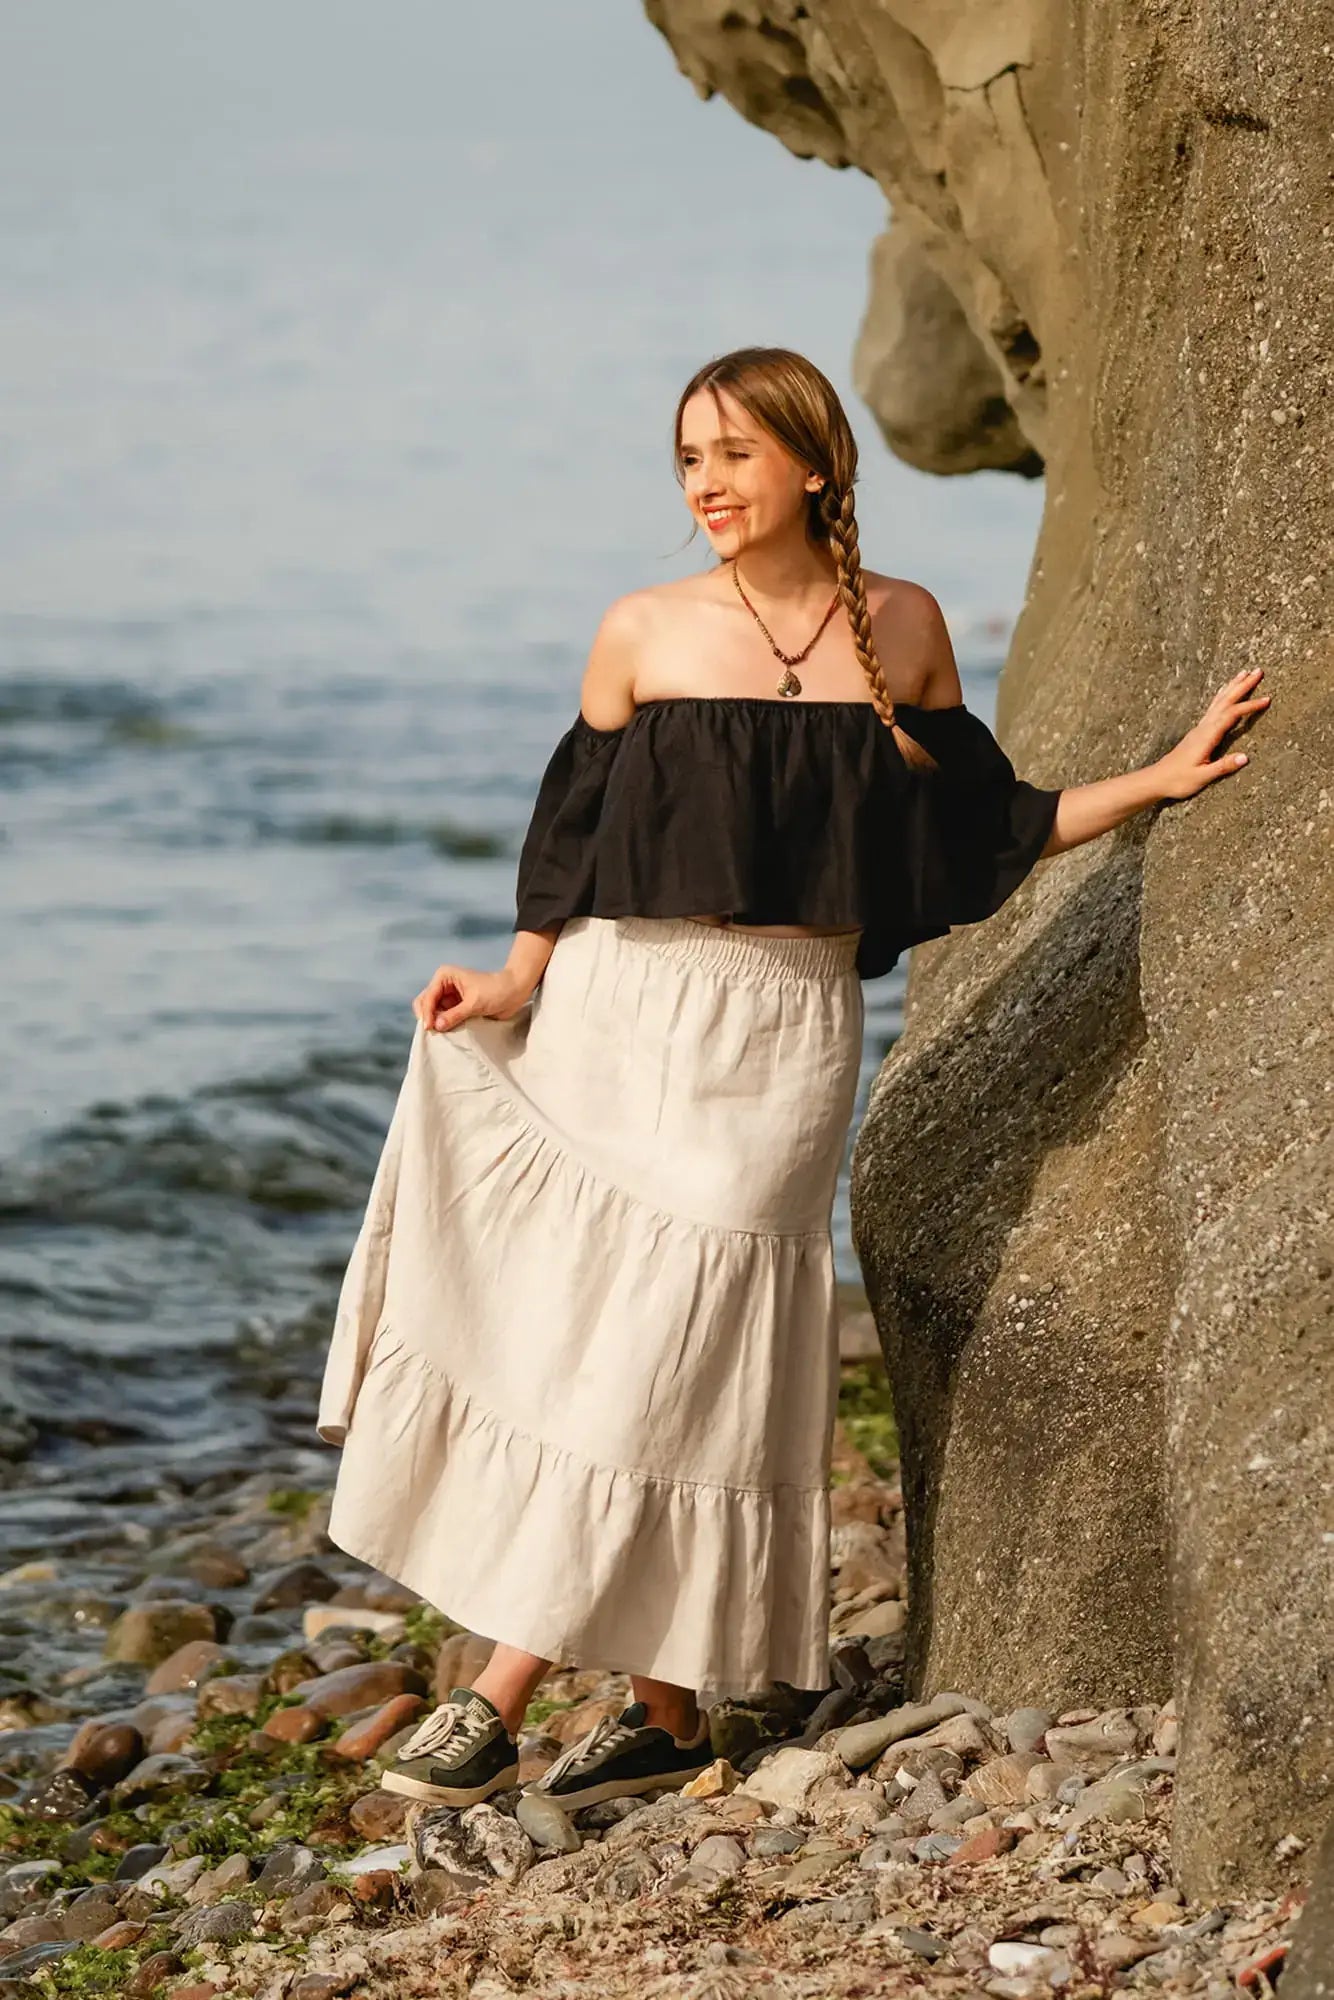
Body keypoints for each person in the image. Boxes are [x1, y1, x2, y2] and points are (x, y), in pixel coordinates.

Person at [316, 346, 1268, 1815]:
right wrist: (514, 976)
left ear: (812, 466)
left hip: (778, 1034)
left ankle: (499, 1685)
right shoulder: (639, 631)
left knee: (672, 1329)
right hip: (618, 1008)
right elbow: (569, 839)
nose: (703, 483)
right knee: (615, 1337)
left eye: (733, 456)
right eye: (687, 457)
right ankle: (663, 1703)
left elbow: (979, 832)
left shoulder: (899, 628)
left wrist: (1152, 780)